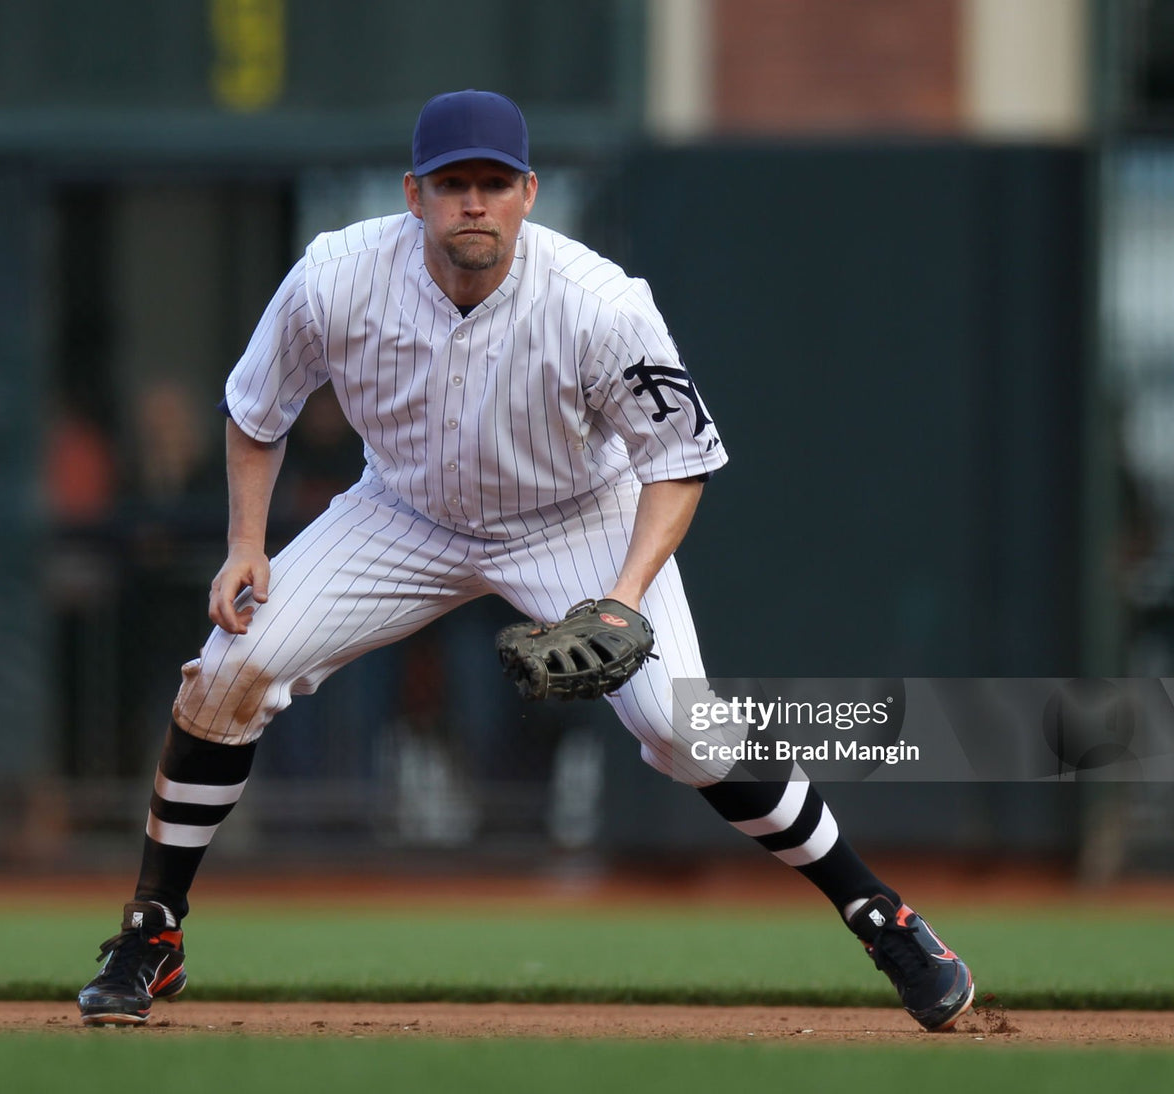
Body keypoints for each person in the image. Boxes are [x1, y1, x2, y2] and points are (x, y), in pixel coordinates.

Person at [77, 90, 974, 1031]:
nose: (474, 202)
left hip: (573, 515)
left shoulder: (599, 305)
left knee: (680, 729)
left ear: (529, 193)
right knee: (229, 673)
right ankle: (153, 932)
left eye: (494, 183)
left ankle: (884, 916)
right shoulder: (334, 277)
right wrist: (245, 546)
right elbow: (257, 412)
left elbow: (678, 465)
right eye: (454, 183)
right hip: (403, 512)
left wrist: (624, 600)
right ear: (413, 193)